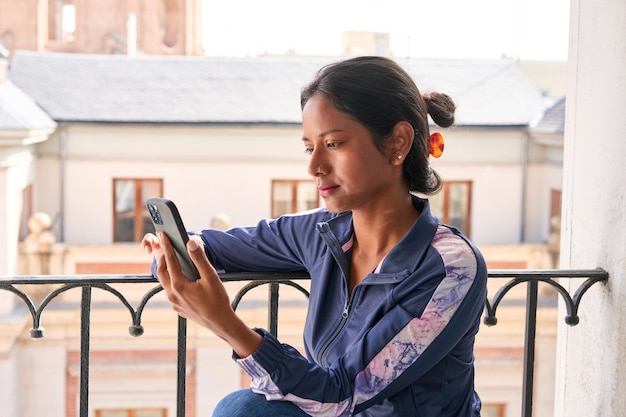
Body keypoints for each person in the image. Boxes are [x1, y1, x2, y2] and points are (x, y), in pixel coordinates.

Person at [142, 56, 487, 417]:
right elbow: (208, 247)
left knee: (242, 409)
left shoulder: (451, 268)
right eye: (310, 147)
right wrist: (170, 253)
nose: (313, 166)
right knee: (243, 408)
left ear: (397, 142)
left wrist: (225, 323)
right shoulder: (324, 231)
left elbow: (342, 393)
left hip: (342, 403)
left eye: (333, 144)